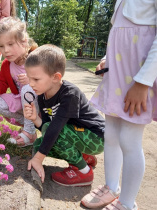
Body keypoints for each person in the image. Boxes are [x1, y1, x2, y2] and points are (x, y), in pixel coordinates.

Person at [81, 0, 157, 209]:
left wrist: (143, 82)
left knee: (129, 140)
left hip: (138, 77)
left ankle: (127, 203)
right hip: (117, 74)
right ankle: (112, 187)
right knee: (111, 134)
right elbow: (119, 31)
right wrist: (108, 58)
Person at [23, 44, 105, 186]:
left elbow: (54, 128)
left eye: (35, 79)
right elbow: (46, 128)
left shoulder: (70, 94)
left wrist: (38, 159)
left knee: (48, 141)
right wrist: (35, 119)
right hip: (76, 135)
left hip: (96, 137)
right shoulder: (42, 96)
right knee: (38, 145)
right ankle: (83, 157)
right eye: (29, 78)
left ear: (56, 77)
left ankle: (84, 172)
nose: (31, 84)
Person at [0, 17, 38, 147]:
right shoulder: (7, 65)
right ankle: (29, 125)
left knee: (27, 89)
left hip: (41, 103)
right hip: (22, 101)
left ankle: (29, 132)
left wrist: (33, 80)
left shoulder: (37, 58)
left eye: (10, 44)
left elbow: (50, 81)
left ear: (24, 42)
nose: (6, 50)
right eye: (2, 46)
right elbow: (2, 89)